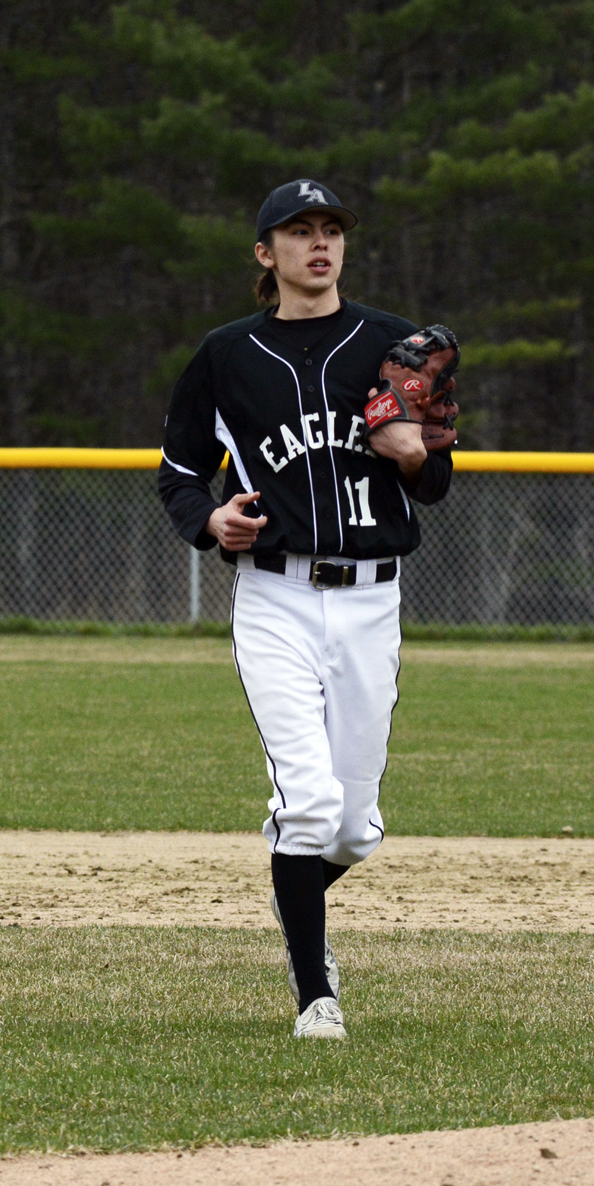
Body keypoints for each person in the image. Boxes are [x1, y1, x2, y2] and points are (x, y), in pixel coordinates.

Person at [159, 179, 452, 1039]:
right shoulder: (227, 356)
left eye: (331, 230)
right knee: (311, 807)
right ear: (266, 254)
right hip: (277, 598)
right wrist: (210, 520)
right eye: (297, 231)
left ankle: (297, 894)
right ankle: (314, 995)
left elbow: (434, 484)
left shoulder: (394, 343)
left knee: (354, 832)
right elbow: (181, 471)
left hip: (371, 604)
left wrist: (409, 453)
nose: (318, 244)